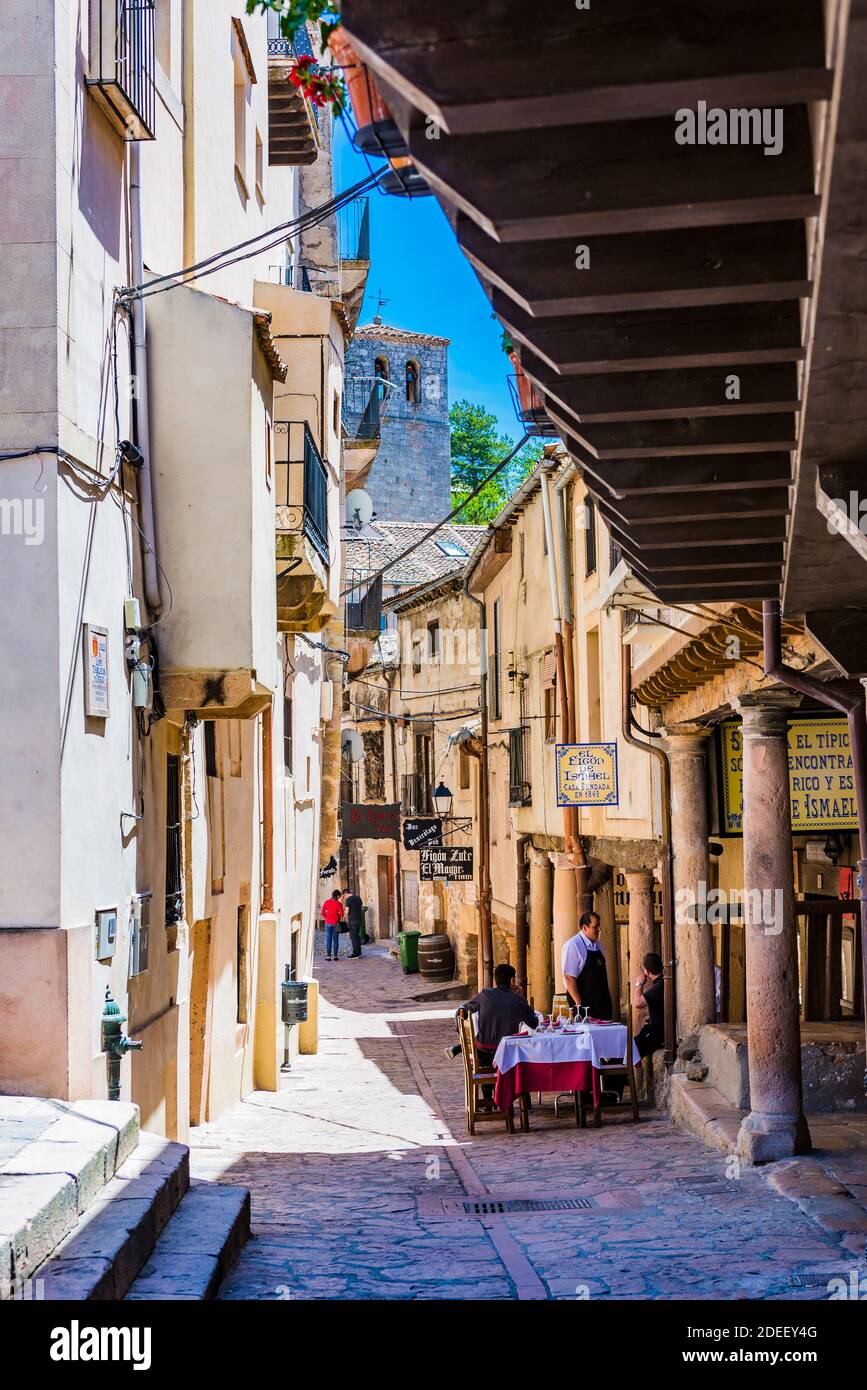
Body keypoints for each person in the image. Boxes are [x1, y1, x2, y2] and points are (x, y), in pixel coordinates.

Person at [445, 964, 538, 1104]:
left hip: (484, 1055)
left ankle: (488, 1100)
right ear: (512, 981)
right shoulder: (518, 1000)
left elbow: (463, 1009)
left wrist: (461, 1029)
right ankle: (520, 1099)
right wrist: (521, 998)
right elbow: (533, 1023)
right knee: (518, 1053)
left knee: (484, 1047)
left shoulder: (485, 995)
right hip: (508, 1057)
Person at [562, 910, 613, 1019]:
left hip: (602, 1004)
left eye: (599, 926)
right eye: (595, 927)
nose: (599, 930)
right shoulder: (573, 945)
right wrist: (579, 1005)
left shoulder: (599, 945)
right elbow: (569, 977)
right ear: (585, 927)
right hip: (585, 1007)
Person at [632, 952, 665, 1058]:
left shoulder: (659, 986)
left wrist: (639, 984)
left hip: (658, 1034)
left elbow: (637, 1003)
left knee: (629, 1051)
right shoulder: (662, 982)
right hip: (654, 1030)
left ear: (646, 971)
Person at [321, 889, 344, 961]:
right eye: (339, 897)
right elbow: (342, 914)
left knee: (328, 939)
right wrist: (338, 917)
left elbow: (322, 912)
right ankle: (335, 956)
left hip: (328, 923)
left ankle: (328, 956)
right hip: (335, 923)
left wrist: (327, 917)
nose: (339, 898)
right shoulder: (339, 904)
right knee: (335, 939)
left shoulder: (327, 902)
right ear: (337, 896)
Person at [343, 887, 364, 959]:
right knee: (357, 937)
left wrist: (345, 911)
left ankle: (355, 953)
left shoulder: (348, 900)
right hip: (359, 920)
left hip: (352, 921)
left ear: (345, 894)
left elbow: (347, 911)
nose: (344, 897)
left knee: (353, 938)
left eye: (344, 896)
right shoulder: (358, 898)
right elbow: (360, 908)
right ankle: (359, 952)